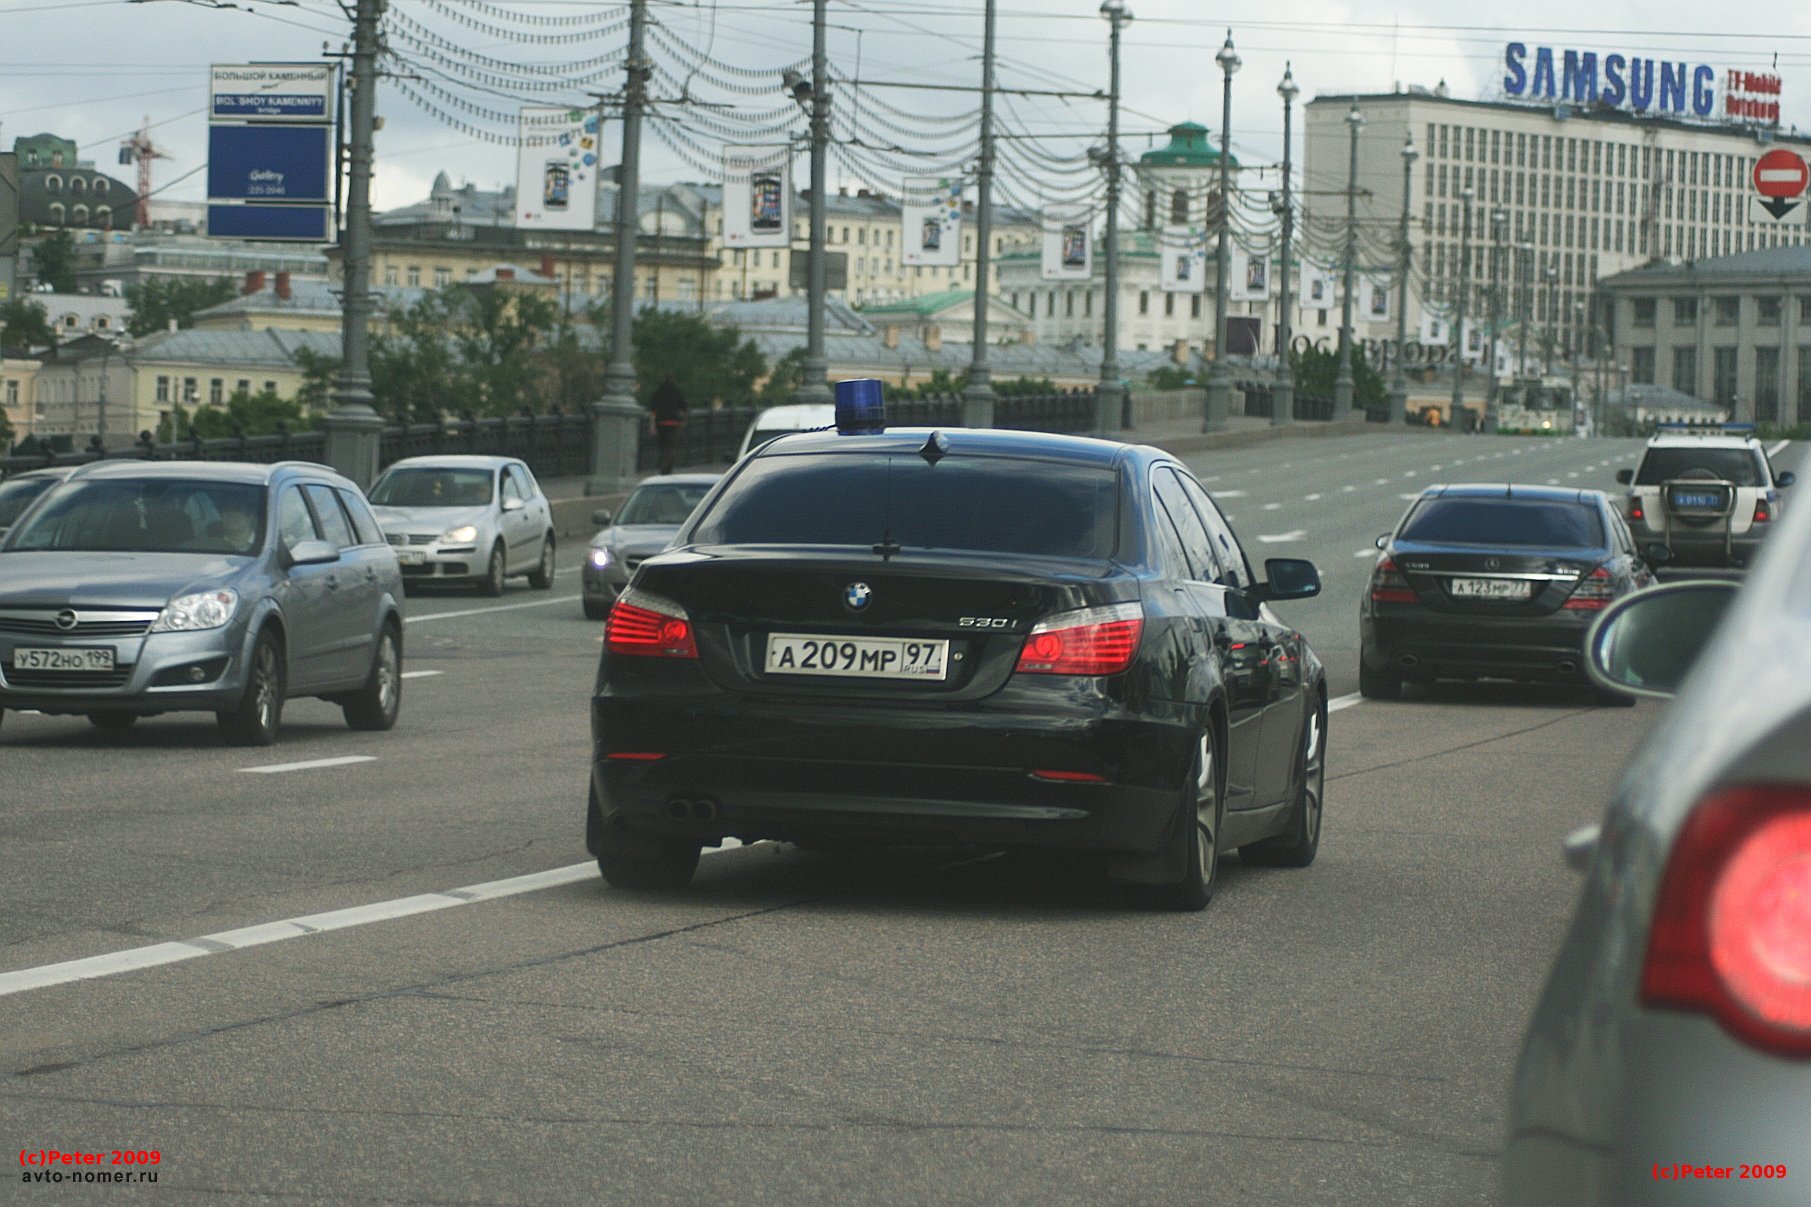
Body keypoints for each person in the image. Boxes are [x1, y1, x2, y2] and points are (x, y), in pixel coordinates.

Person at [648, 374, 689, 476]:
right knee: (671, 447)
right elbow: (684, 408)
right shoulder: (677, 391)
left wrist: (652, 426)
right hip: (674, 423)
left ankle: (663, 466)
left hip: (661, 423)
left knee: (662, 446)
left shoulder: (658, 392)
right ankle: (667, 468)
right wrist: (684, 421)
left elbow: (653, 411)